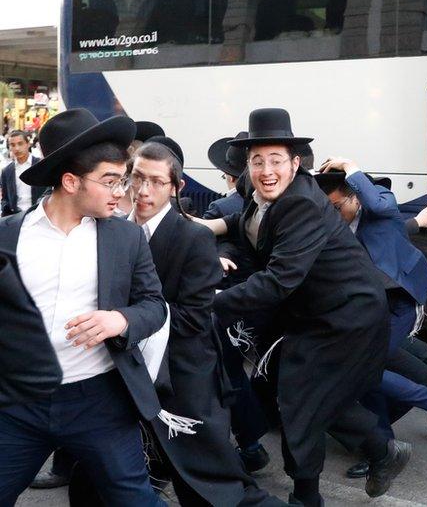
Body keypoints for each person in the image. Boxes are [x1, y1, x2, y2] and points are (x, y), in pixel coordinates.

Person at [197, 108, 410, 506]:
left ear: (295, 163)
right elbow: (245, 239)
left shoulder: (301, 205)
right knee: (305, 396)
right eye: (257, 161)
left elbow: (278, 280)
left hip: (347, 317)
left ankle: (306, 497)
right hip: (311, 312)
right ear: (247, 167)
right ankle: (383, 450)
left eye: (276, 160)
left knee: (299, 400)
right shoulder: (256, 194)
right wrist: (218, 249)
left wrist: (215, 303)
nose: (267, 170)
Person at [72, 138, 284, 506]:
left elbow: (191, 318)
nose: (142, 190)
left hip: (183, 382)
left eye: (155, 181)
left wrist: (125, 321)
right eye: (136, 178)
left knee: (215, 489)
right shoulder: (110, 230)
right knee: (96, 478)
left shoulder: (193, 238)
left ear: (176, 188)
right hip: (122, 378)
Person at [0, 108, 168, 506]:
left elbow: (154, 306)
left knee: (134, 500)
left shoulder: (126, 239)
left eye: (121, 181)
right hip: (18, 406)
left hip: (98, 403)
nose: (121, 193)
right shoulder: (8, 236)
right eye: (111, 182)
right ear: (71, 181)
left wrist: (119, 319)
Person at [317, 158, 427, 474]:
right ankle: (394, 441)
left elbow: (384, 214)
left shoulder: (378, 206)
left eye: (338, 208)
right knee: (366, 376)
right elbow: (395, 233)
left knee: (362, 372)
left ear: (355, 197)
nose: (334, 216)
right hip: (365, 311)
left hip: (397, 307)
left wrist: (351, 167)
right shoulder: (338, 224)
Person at [0, 249, 61, 407]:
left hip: (98, 394)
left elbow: (43, 375)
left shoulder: (129, 236)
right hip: (15, 410)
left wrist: (123, 319)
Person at [1, 130, 45, 216]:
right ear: (9, 147)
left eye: (20, 143)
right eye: (12, 145)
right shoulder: (7, 171)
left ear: (28, 144)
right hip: (15, 217)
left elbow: (49, 191)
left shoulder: (40, 165)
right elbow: (5, 198)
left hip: (38, 214)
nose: (17, 148)